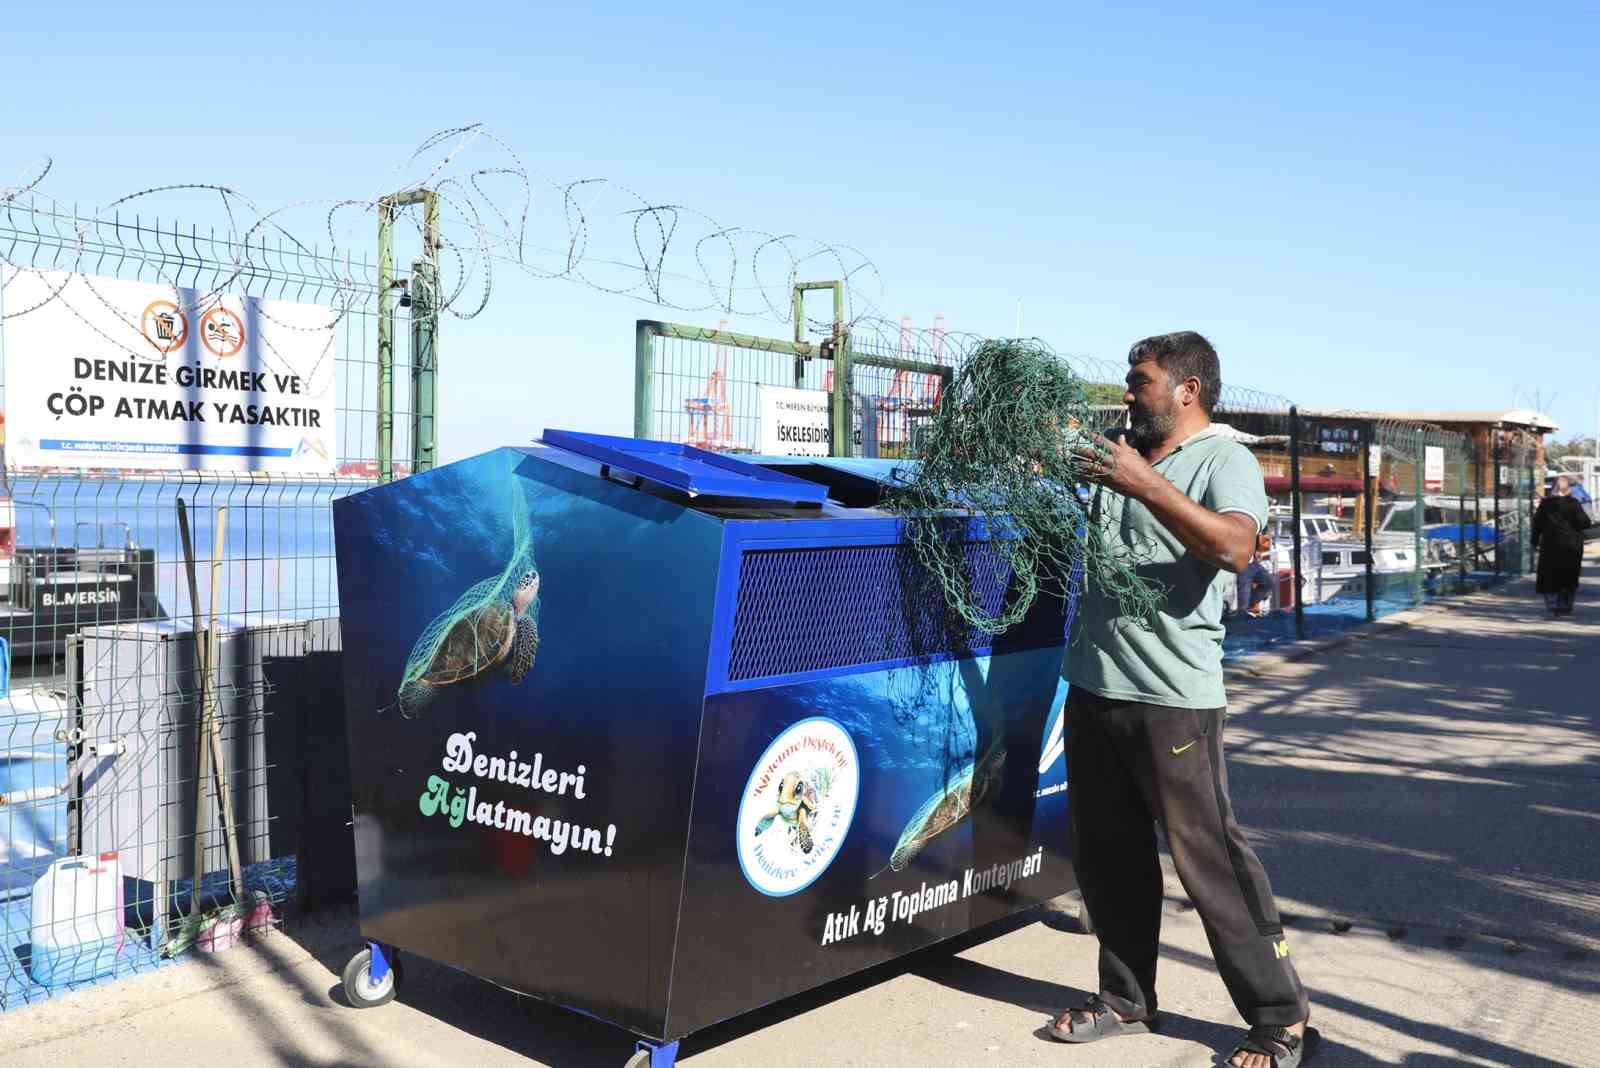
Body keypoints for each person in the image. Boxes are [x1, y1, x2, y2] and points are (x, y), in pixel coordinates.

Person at [1047, 332, 1312, 1068]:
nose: (1129, 394)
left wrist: (1143, 484)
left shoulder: (1224, 459)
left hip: (1173, 700)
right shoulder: (1119, 452)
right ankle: (1127, 998)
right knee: (1108, 855)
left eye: (1141, 381)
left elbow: (1235, 547)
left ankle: (1280, 1018)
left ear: (1187, 390)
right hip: (1095, 686)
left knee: (1210, 862)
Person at [1533, 476, 1591, 616]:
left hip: (1550, 545)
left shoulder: (1545, 504)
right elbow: (1585, 523)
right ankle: (1566, 604)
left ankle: (1552, 604)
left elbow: (1537, 525)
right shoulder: (1574, 504)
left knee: (1549, 574)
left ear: (1554, 488)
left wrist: (1534, 542)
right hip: (1571, 546)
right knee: (1569, 574)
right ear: (1568, 489)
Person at [1235, 534, 1275, 618]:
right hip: (1243, 565)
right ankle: (1242, 612)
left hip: (1253, 563)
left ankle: (1248, 603)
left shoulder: (1253, 528)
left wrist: (1256, 551)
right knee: (1243, 600)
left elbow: (1254, 538)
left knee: (1269, 583)